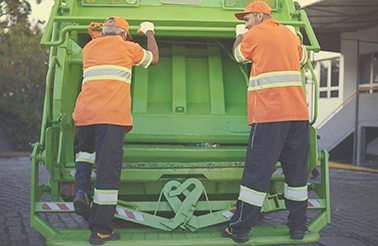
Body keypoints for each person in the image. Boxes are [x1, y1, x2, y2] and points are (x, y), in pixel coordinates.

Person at [220, 1, 309, 243]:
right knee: (297, 177)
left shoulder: (254, 34)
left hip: (270, 115)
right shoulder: (290, 34)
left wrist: (239, 36)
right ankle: (298, 227)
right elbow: (302, 59)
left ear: (260, 15)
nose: (244, 23)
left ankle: (239, 229)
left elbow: (239, 56)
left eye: (246, 19)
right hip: (298, 116)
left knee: (257, 175)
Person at [72, 16, 159, 245]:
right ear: (122, 34)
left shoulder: (89, 48)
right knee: (107, 172)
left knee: (84, 154)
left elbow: (102, 42)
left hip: (84, 115)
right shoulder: (127, 47)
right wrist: (149, 31)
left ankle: (81, 191)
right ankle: (100, 230)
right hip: (110, 118)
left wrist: (96, 34)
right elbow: (154, 58)